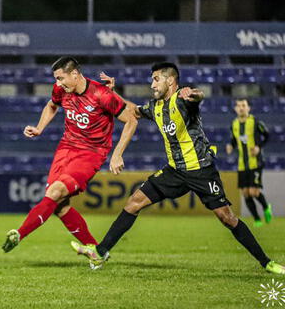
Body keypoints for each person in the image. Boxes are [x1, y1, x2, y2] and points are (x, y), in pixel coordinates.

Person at [71, 62, 285, 274]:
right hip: (174, 171)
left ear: (170, 80)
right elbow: (132, 111)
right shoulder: (155, 107)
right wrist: (112, 93)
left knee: (227, 217)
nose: (152, 84)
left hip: (201, 170)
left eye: (156, 79)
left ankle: (266, 262)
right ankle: (101, 252)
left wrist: (193, 93)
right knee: (134, 202)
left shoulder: (183, 101)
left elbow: (198, 97)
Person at [1, 56, 138, 262]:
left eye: (61, 78)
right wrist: (39, 128)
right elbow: (51, 105)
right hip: (65, 149)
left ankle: (19, 234)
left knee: (55, 192)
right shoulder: (61, 90)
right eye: (56, 79)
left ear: (75, 74)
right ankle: (98, 252)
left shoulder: (101, 94)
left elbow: (131, 120)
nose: (58, 84)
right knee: (59, 205)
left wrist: (117, 154)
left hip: (91, 153)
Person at [226, 98, 272, 227]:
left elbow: (267, 135)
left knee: (254, 192)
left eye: (243, 105)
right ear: (235, 109)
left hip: (255, 162)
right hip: (242, 164)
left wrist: (259, 147)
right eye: (239, 105)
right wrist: (230, 145)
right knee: (245, 193)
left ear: (248, 108)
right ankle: (257, 219)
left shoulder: (255, 122)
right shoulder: (234, 124)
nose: (241, 108)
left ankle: (266, 207)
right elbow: (234, 140)